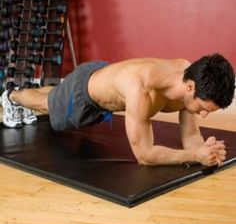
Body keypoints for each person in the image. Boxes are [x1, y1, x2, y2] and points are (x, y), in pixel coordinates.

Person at [1, 53, 235, 167]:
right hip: (86, 96)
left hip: (103, 75)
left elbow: (191, 137)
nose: (202, 115)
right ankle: (12, 96)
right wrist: (195, 156)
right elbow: (144, 155)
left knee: (56, 96)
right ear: (190, 87)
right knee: (47, 106)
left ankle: (37, 92)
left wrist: (206, 150)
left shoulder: (188, 74)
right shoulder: (143, 90)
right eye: (203, 108)